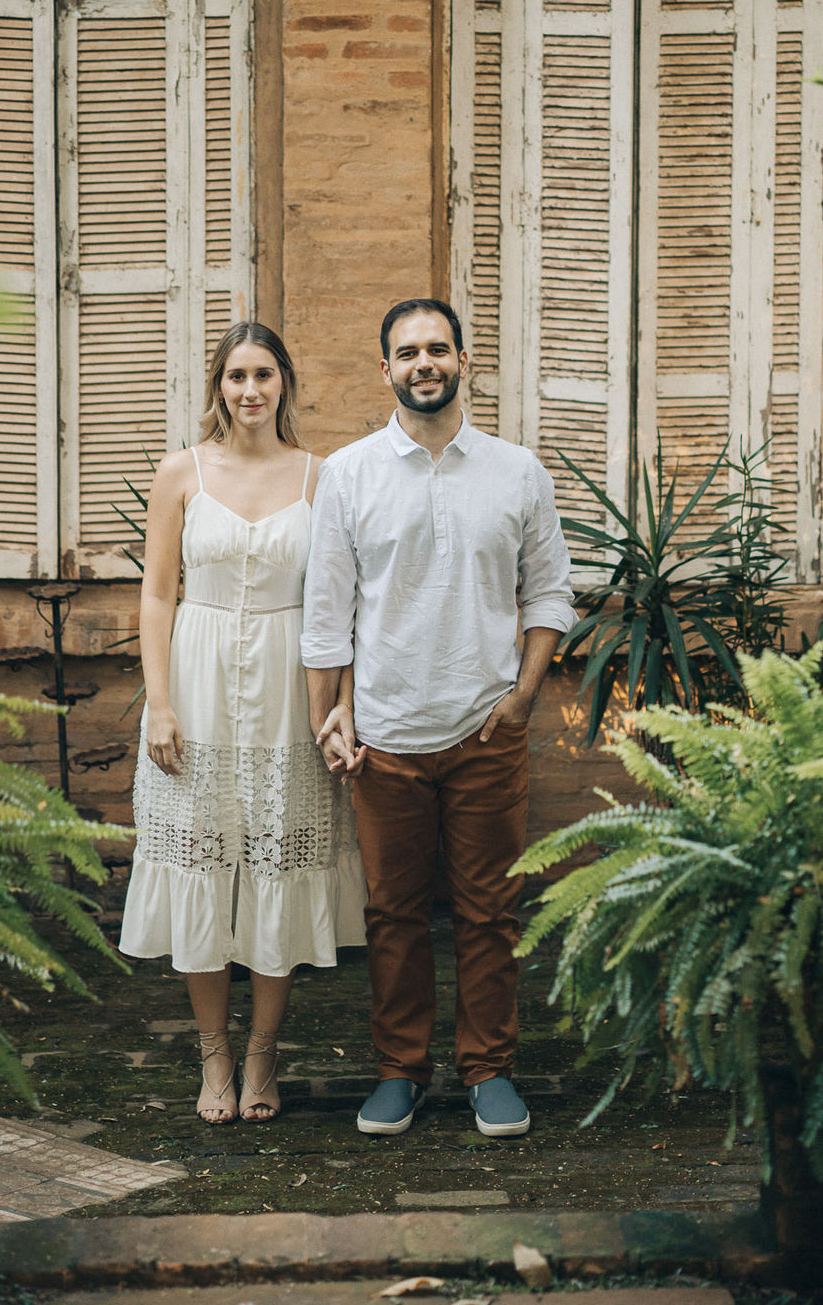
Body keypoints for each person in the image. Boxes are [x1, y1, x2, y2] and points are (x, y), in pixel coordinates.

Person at [301, 299, 576, 1139]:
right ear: (384, 369)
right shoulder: (348, 474)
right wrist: (331, 719)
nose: (425, 363)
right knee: (393, 914)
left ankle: (490, 1069)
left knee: (491, 911)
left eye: (438, 349)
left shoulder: (517, 471)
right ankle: (400, 1071)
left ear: (464, 361)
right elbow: (326, 612)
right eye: (407, 352)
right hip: (386, 733)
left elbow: (551, 594)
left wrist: (523, 696)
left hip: (486, 730)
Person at [119, 322, 366, 1125]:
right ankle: (212, 1056)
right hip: (196, 680)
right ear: (218, 386)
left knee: (277, 870)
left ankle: (262, 1056)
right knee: (200, 859)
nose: (250, 390)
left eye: (264, 375)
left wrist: (339, 707)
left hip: (291, 691)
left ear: (285, 383)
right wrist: (160, 703)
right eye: (236, 376)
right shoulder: (179, 473)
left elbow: (343, 603)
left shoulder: (322, 479)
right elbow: (158, 594)